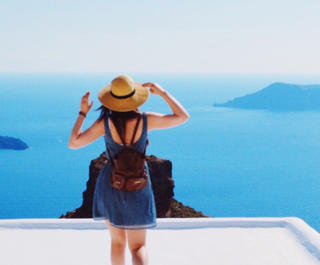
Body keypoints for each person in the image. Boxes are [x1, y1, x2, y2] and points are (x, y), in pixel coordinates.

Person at [68, 74, 189, 265]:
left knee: (117, 243)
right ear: (134, 97)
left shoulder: (104, 123)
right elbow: (183, 117)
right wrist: (163, 93)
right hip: (138, 184)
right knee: (138, 246)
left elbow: (74, 143)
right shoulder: (145, 120)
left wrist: (82, 112)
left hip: (110, 183)